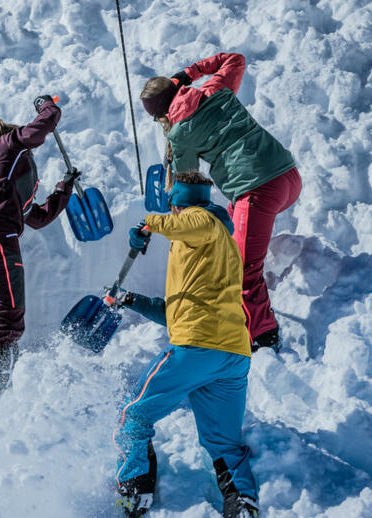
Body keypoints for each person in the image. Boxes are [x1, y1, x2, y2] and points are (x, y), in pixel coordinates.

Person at [111, 172, 259, 518]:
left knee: (133, 416)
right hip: (231, 354)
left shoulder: (201, 219)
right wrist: (130, 300)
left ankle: (134, 495)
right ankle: (243, 504)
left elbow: (187, 223)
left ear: (176, 204)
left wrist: (147, 224)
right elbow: (176, 314)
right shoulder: (213, 245)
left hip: (197, 349)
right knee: (224, 443)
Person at [140, 52, 302, 352]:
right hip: (288, 177)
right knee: (229, 227)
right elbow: (235, 59)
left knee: (240, 267)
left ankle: (264, 337)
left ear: (161, 114)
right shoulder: (214, 90)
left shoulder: (179, 134)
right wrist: (189, 73)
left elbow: (189, 186)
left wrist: (176, 214)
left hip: (258, 190)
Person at [0, 95, 80, 393]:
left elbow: (35, 217)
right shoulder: (3, 148)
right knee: (8, 322)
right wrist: (47, 107)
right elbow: (39, 129)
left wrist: (63, 190)